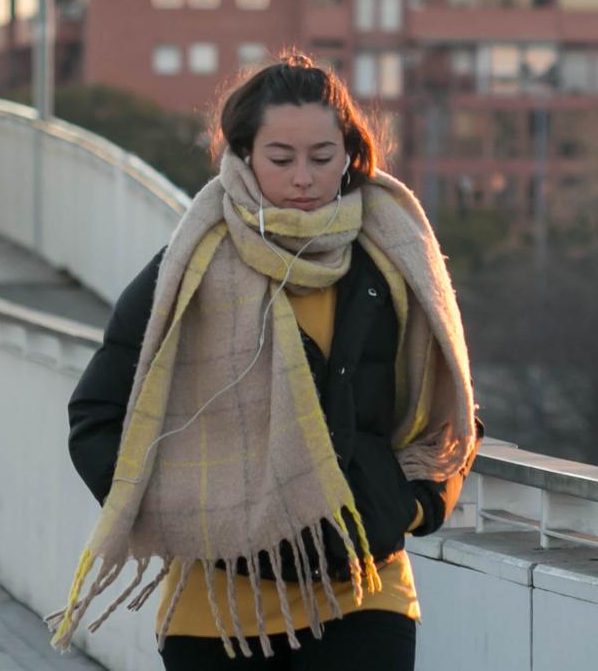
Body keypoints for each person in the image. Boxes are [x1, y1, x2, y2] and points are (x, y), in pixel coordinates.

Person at [49, 54, 482, 670]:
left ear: (351, 155)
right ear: (244, 155)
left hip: (367, 595)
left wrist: (412, 505)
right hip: (217, 611)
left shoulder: (394, 263)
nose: (303, 177)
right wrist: (187, 514)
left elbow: (452, 413)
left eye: (322, 157)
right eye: (281, 159)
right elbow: (98, 416)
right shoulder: (188, 270)